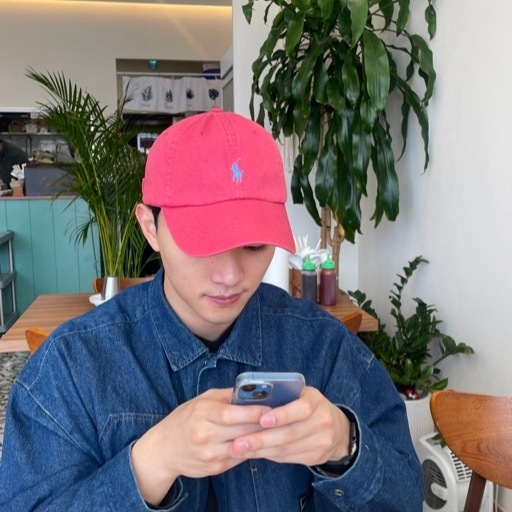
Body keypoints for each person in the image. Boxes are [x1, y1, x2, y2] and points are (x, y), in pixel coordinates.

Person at [0, 109, 423, 511]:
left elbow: (406, 497)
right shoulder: (71, 368)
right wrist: (152, 462)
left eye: (254, 244)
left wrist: (345, 445)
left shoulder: (323, 347)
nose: (230, 275)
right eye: (202, 243)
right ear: (150, 227)